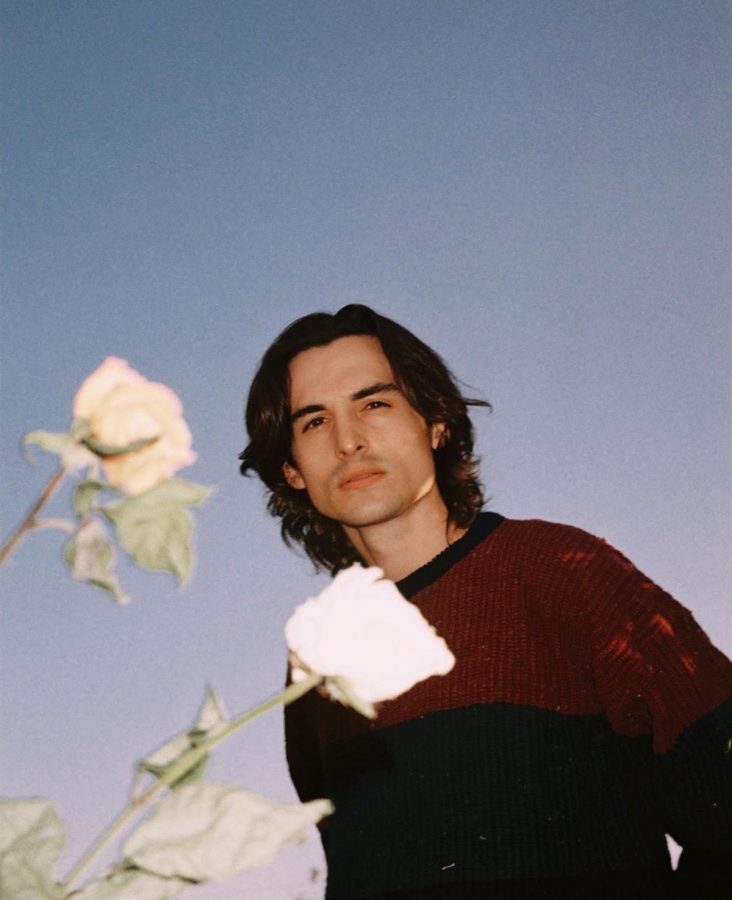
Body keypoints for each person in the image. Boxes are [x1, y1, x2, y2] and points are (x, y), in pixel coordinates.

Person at [240, 304, 732, 899]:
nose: (349, 441)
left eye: (375, 404)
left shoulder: (564, 571)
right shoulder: (316, 659)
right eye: (315, 421)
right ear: (292, 469)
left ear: (435, 424)